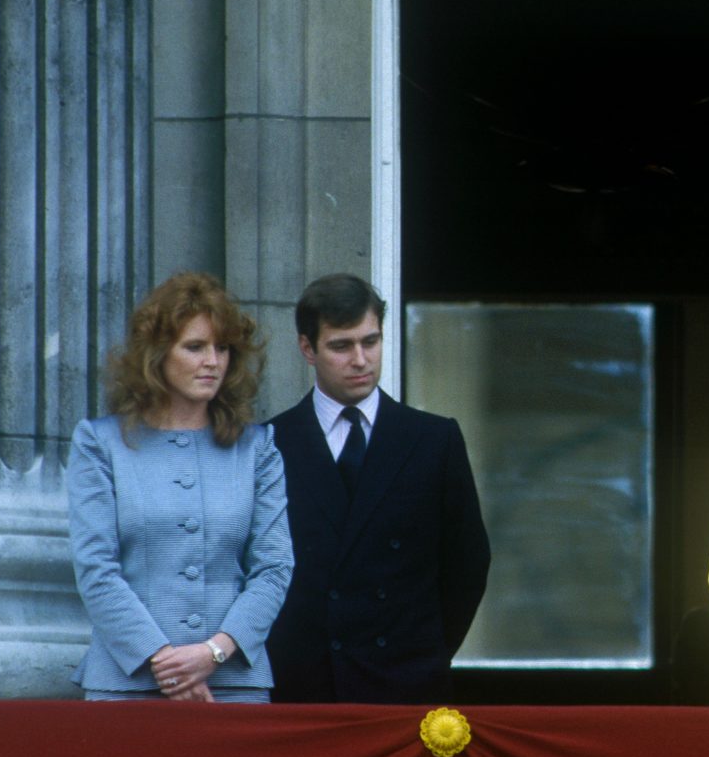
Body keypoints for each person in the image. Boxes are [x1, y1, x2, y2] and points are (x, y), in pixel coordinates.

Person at [68, 272, 293, 703]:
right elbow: (96, 568)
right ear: (157, 355)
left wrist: (214, 652)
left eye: (222, 348)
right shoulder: (100, 443)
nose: (213, 361)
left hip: (234, 686)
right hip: (128, 683)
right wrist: (168, 664)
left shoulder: (257, 448)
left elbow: (274, 568)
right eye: (195, 347)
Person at [266, 273, 491, 703]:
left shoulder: (434, 440)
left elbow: (468, 563)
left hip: (404, 687)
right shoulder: (270, 443)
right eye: (341, 346)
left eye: (371, 341)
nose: (360, 359)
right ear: (307, 349)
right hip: (303, 690)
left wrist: (425, 655)